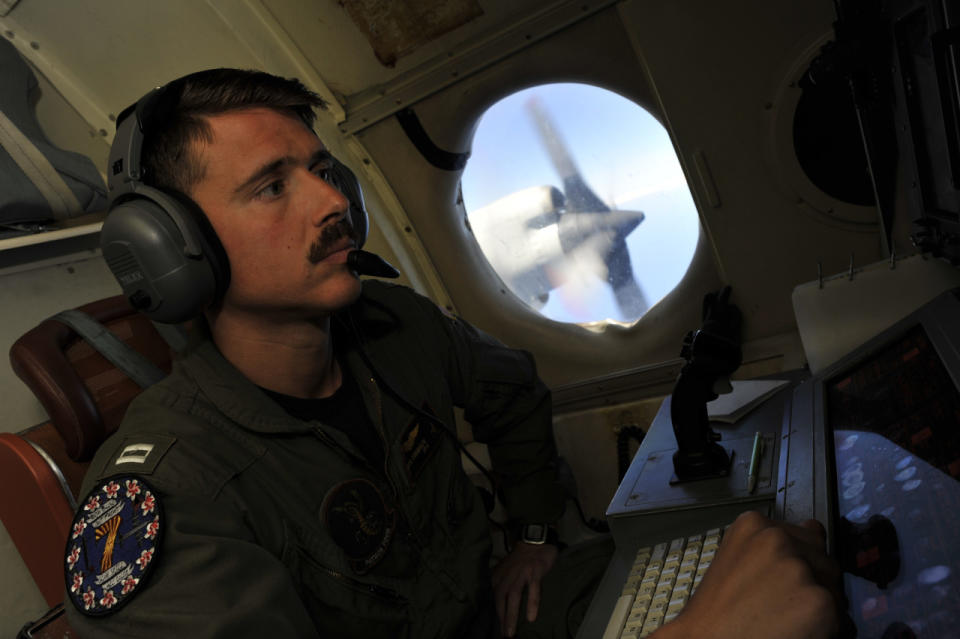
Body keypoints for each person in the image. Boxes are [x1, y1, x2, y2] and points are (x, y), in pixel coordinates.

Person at [63, 68, 843, 639]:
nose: (335, 202)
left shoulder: (396, 324)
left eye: (322, 171)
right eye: (273, 186)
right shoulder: (163, 499)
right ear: (175, 251)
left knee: (790, 552)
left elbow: (516, 394)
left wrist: (534, 536)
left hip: (501, 616)